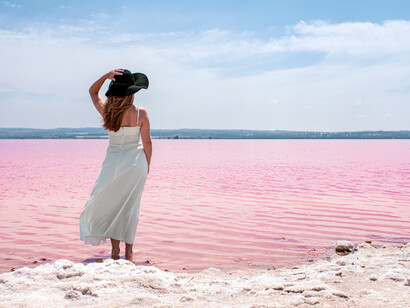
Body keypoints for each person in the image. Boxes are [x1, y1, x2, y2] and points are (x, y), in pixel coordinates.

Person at [79, 68, 152, 262]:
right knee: (130, 207)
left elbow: (92, 92)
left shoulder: (107, 111)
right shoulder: (140, 113)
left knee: (113, 205)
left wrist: (104, 76)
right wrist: (147, 167)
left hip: (112, 165)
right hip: (136, 164)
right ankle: (129, 252)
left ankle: (114, 252)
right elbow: (147, 143)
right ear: (131, 93)